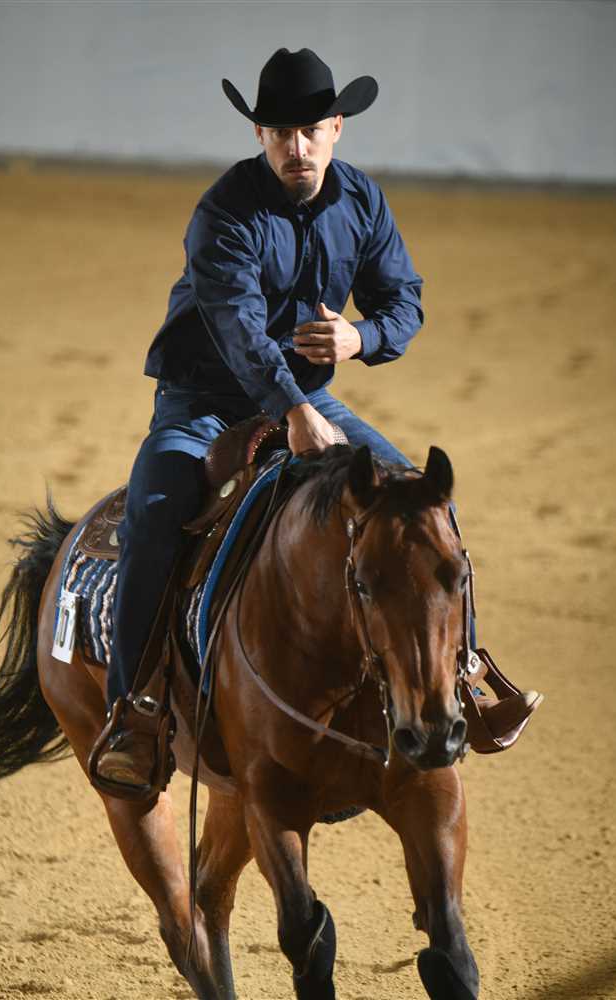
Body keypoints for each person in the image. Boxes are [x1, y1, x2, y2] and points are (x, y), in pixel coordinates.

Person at [94, 48, 540, 794]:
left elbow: (404, 300)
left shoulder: (361, 201)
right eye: (279, 133)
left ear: (337, 127)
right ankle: (132, 715)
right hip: (203, 402)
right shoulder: (224, 213)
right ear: (259, 134)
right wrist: (294, 408)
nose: (296, 148)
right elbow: (239, 331)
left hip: (310, 398)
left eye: (310, 131)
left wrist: (360, 337)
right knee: (156, 511)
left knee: (428, 506)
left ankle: (462, 676)